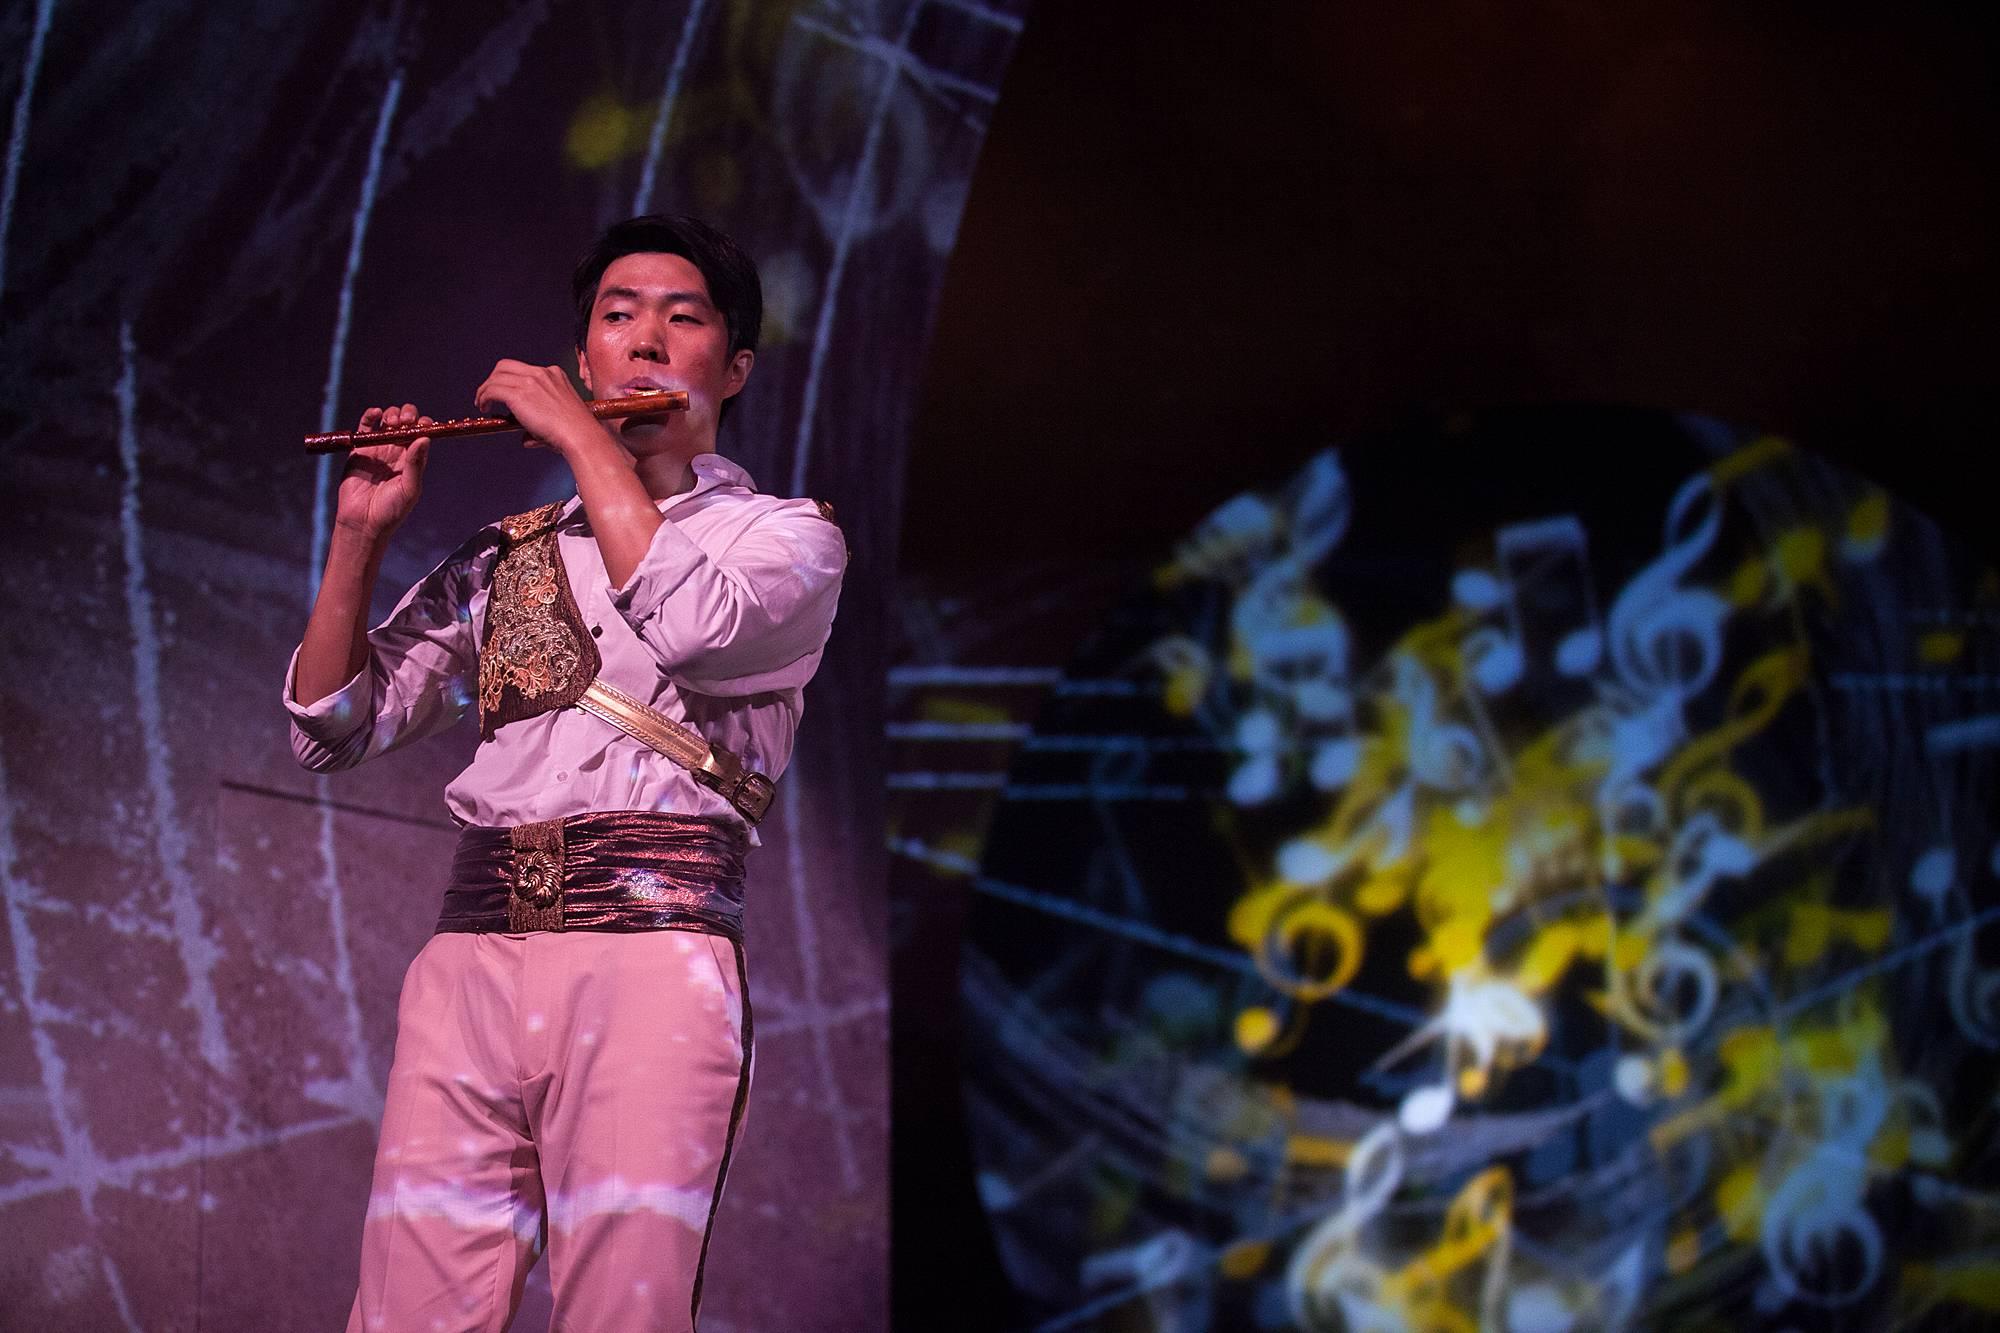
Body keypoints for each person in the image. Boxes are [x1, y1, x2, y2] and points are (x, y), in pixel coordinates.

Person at [285, 214, 845, 1332]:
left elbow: (688, 622)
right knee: (405, 1310)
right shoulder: (507, 554)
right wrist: (359, 533)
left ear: (729, 368)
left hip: (652, 956)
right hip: (470, 957)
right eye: (616, 317)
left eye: (680, 321)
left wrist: (582, 443)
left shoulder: (782, 540)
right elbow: (330, 724)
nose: (644, 342)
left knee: (619, 1311)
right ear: (583, 352)